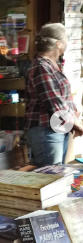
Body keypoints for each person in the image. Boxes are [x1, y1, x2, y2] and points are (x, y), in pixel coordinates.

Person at [25, 23, 83, 165]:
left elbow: (63, 99)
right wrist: (77, 124)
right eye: (66, 40)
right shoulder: (41, 67)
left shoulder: (53, 65)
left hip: (59, 128)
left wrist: (74, 120)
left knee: (57, 173)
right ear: (58, 44)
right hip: (45, 130)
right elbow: (55, 102)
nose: (67, 43)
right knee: (50, 175)